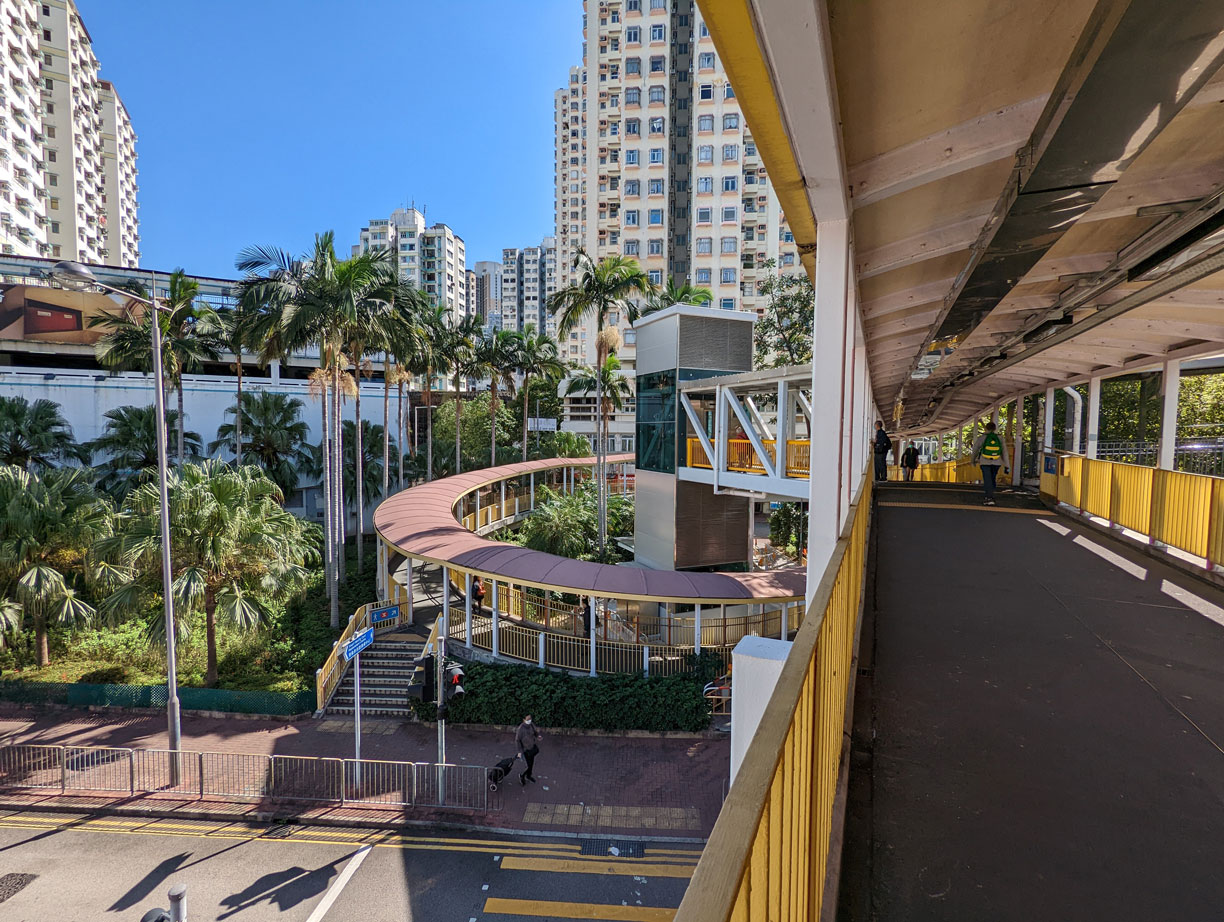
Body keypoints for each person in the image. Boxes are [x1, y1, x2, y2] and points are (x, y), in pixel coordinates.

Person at [971, 422, 1011, 505]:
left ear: (986, 428)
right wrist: (1007, 465)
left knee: (987, 479)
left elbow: (975, 450)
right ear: (995, 428)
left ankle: (989, 497)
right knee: (992, 478)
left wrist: (973, 460)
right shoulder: (1000, 438)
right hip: (997, 462)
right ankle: (991, 494)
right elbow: (1004, 452)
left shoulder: (982, 438)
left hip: (985, 462)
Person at [515, 714, 541, 785]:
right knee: (528, 765)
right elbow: (517, 740)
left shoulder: (531, 725)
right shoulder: (520, 729)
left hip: (532, 747)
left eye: (530, 719)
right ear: (524, 720)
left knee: (531, 764)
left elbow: (535, 732)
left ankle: (528, 776)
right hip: (525, 750)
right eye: (528, 719)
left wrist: (538, 736)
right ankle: (522, 776)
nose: (529, 720)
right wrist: (520, 752)